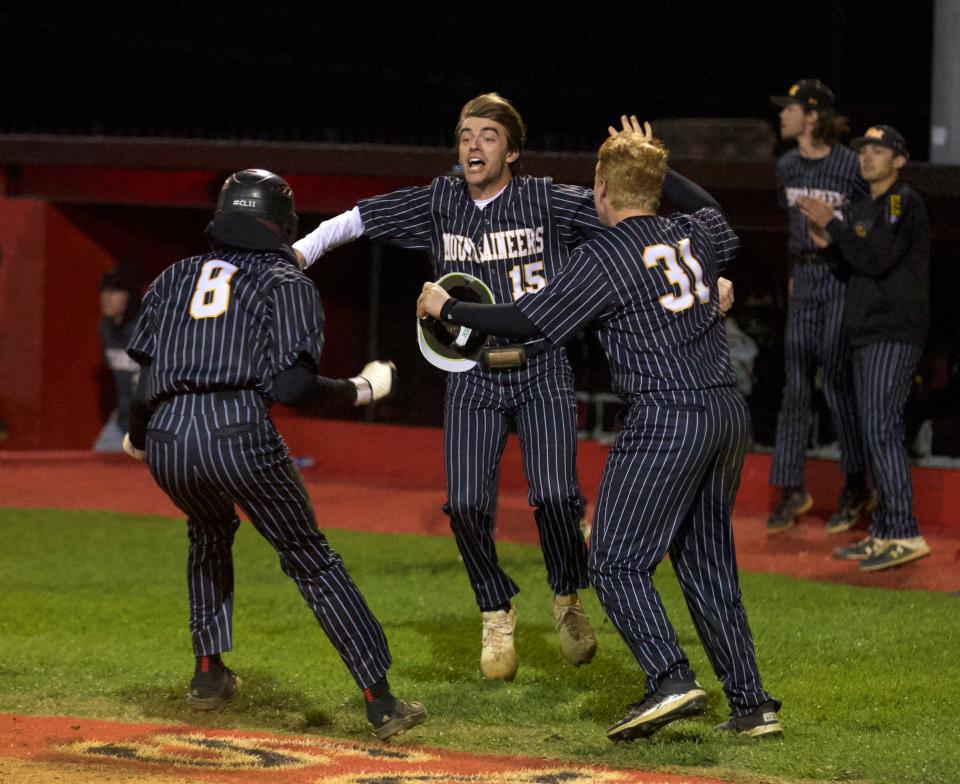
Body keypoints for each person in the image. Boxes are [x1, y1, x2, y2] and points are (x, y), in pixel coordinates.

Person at [418, 119, 781, 740]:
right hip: (725, 414)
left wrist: (448, 308)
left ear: (604, 188)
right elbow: (714, 210)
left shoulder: (605, 255)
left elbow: (526, 319)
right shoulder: (692, 233)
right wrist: (655, 165)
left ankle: (669, 678)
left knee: (613, 564)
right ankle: (751, 705)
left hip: (667, 416)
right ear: (656, 186)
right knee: (706, 564)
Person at [294, 93, 599, 681]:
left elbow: (626, 220)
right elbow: (360, 218)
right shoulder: (441, 200)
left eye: (487, 135)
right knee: (463, 505)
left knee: (558, 496)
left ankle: (567, 598)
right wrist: (300, 252)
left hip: (541, 367)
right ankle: (495, 610)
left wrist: (704, 265)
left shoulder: (547, 198)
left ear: (512, 150)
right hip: (471, 374)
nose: (473, 146)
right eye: (465, 136)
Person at [121, 168, 426, 740]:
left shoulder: (173, 277)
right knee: (310, 559)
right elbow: (291, 387)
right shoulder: (285, 281)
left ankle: (208, 675)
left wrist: (140, 438)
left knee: (208, 532)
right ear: (283, 223)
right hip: (236, 430)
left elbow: (143, 384)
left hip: (166, 435)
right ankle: (380, 700)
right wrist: (362, 388)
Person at [798, 125, 931, 571]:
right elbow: (855, 267)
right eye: (864, 150)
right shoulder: (865, 205)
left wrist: (834, 225)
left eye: (879, 150)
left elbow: (877, 258)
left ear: (899, 160)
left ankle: (905, 531)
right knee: (875, 429)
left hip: (891, 331)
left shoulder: (901, 201)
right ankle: (887, 531)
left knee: (881, 429)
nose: (868, 156)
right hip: (868, 331)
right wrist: (829, 244)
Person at [766, 79, 872, 535]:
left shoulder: (850, 166)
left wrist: (839, 236)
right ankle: (791, 488)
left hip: (840, 277)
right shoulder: (787, 166)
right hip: (804, 278)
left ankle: (855, 485)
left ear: (811, 115)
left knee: (837, 382)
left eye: (789, 108)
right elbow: (791, 223)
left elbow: (869, 223)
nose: (781, 116)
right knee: (794, 385)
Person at [92, 267, 141, 452]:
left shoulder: (146, 329)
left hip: (153, 424)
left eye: (115, 291)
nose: (107, 297)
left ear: (131, 296)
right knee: (97, 465)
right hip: (122, 422)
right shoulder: (106, 329)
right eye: (104, 290)